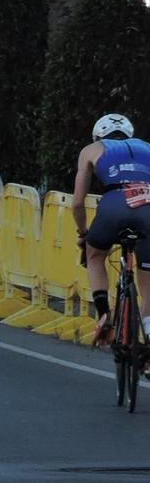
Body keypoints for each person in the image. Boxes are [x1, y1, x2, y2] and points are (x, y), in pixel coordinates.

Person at [73, 112, 150, 347]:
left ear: (98, 135)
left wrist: (84, 234)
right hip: (148, 204)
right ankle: (149, 338)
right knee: (148, 284)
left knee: (94, 255)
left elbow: (77, 203)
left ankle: (105, 314)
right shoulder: (147, 147)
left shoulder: (91, 149)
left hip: (113, 205)